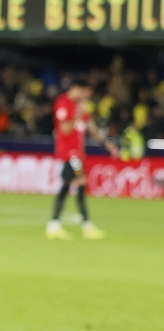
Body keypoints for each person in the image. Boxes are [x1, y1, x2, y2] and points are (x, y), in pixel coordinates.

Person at [46, 80, 118, 240]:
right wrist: (78, 112)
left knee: (68, 186)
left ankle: (54, 225)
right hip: (69, 154)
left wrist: (108, 144)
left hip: (77, 154)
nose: (87, 97)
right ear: (76, 89)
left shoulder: (80, 106)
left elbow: (91, 128)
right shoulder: (63, 103)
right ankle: (86, 226)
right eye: (86, 93)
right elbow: (65, 129)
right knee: (80, 181)